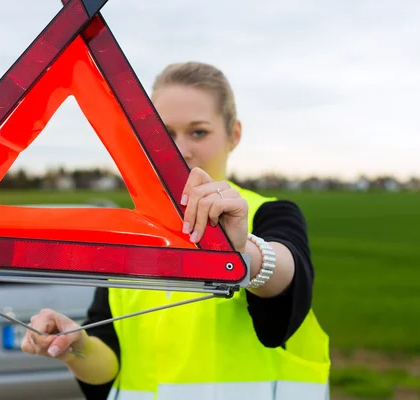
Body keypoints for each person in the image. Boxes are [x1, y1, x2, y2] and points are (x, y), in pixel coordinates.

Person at [21, 62, 331, 399]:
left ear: (234, 135)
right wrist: (74, 346)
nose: (180, 150)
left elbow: (287, 276)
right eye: (164, 134)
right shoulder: (128, 234)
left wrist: (241, 253)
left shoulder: (267, 214)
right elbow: (110, 367)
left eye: (199, 132)